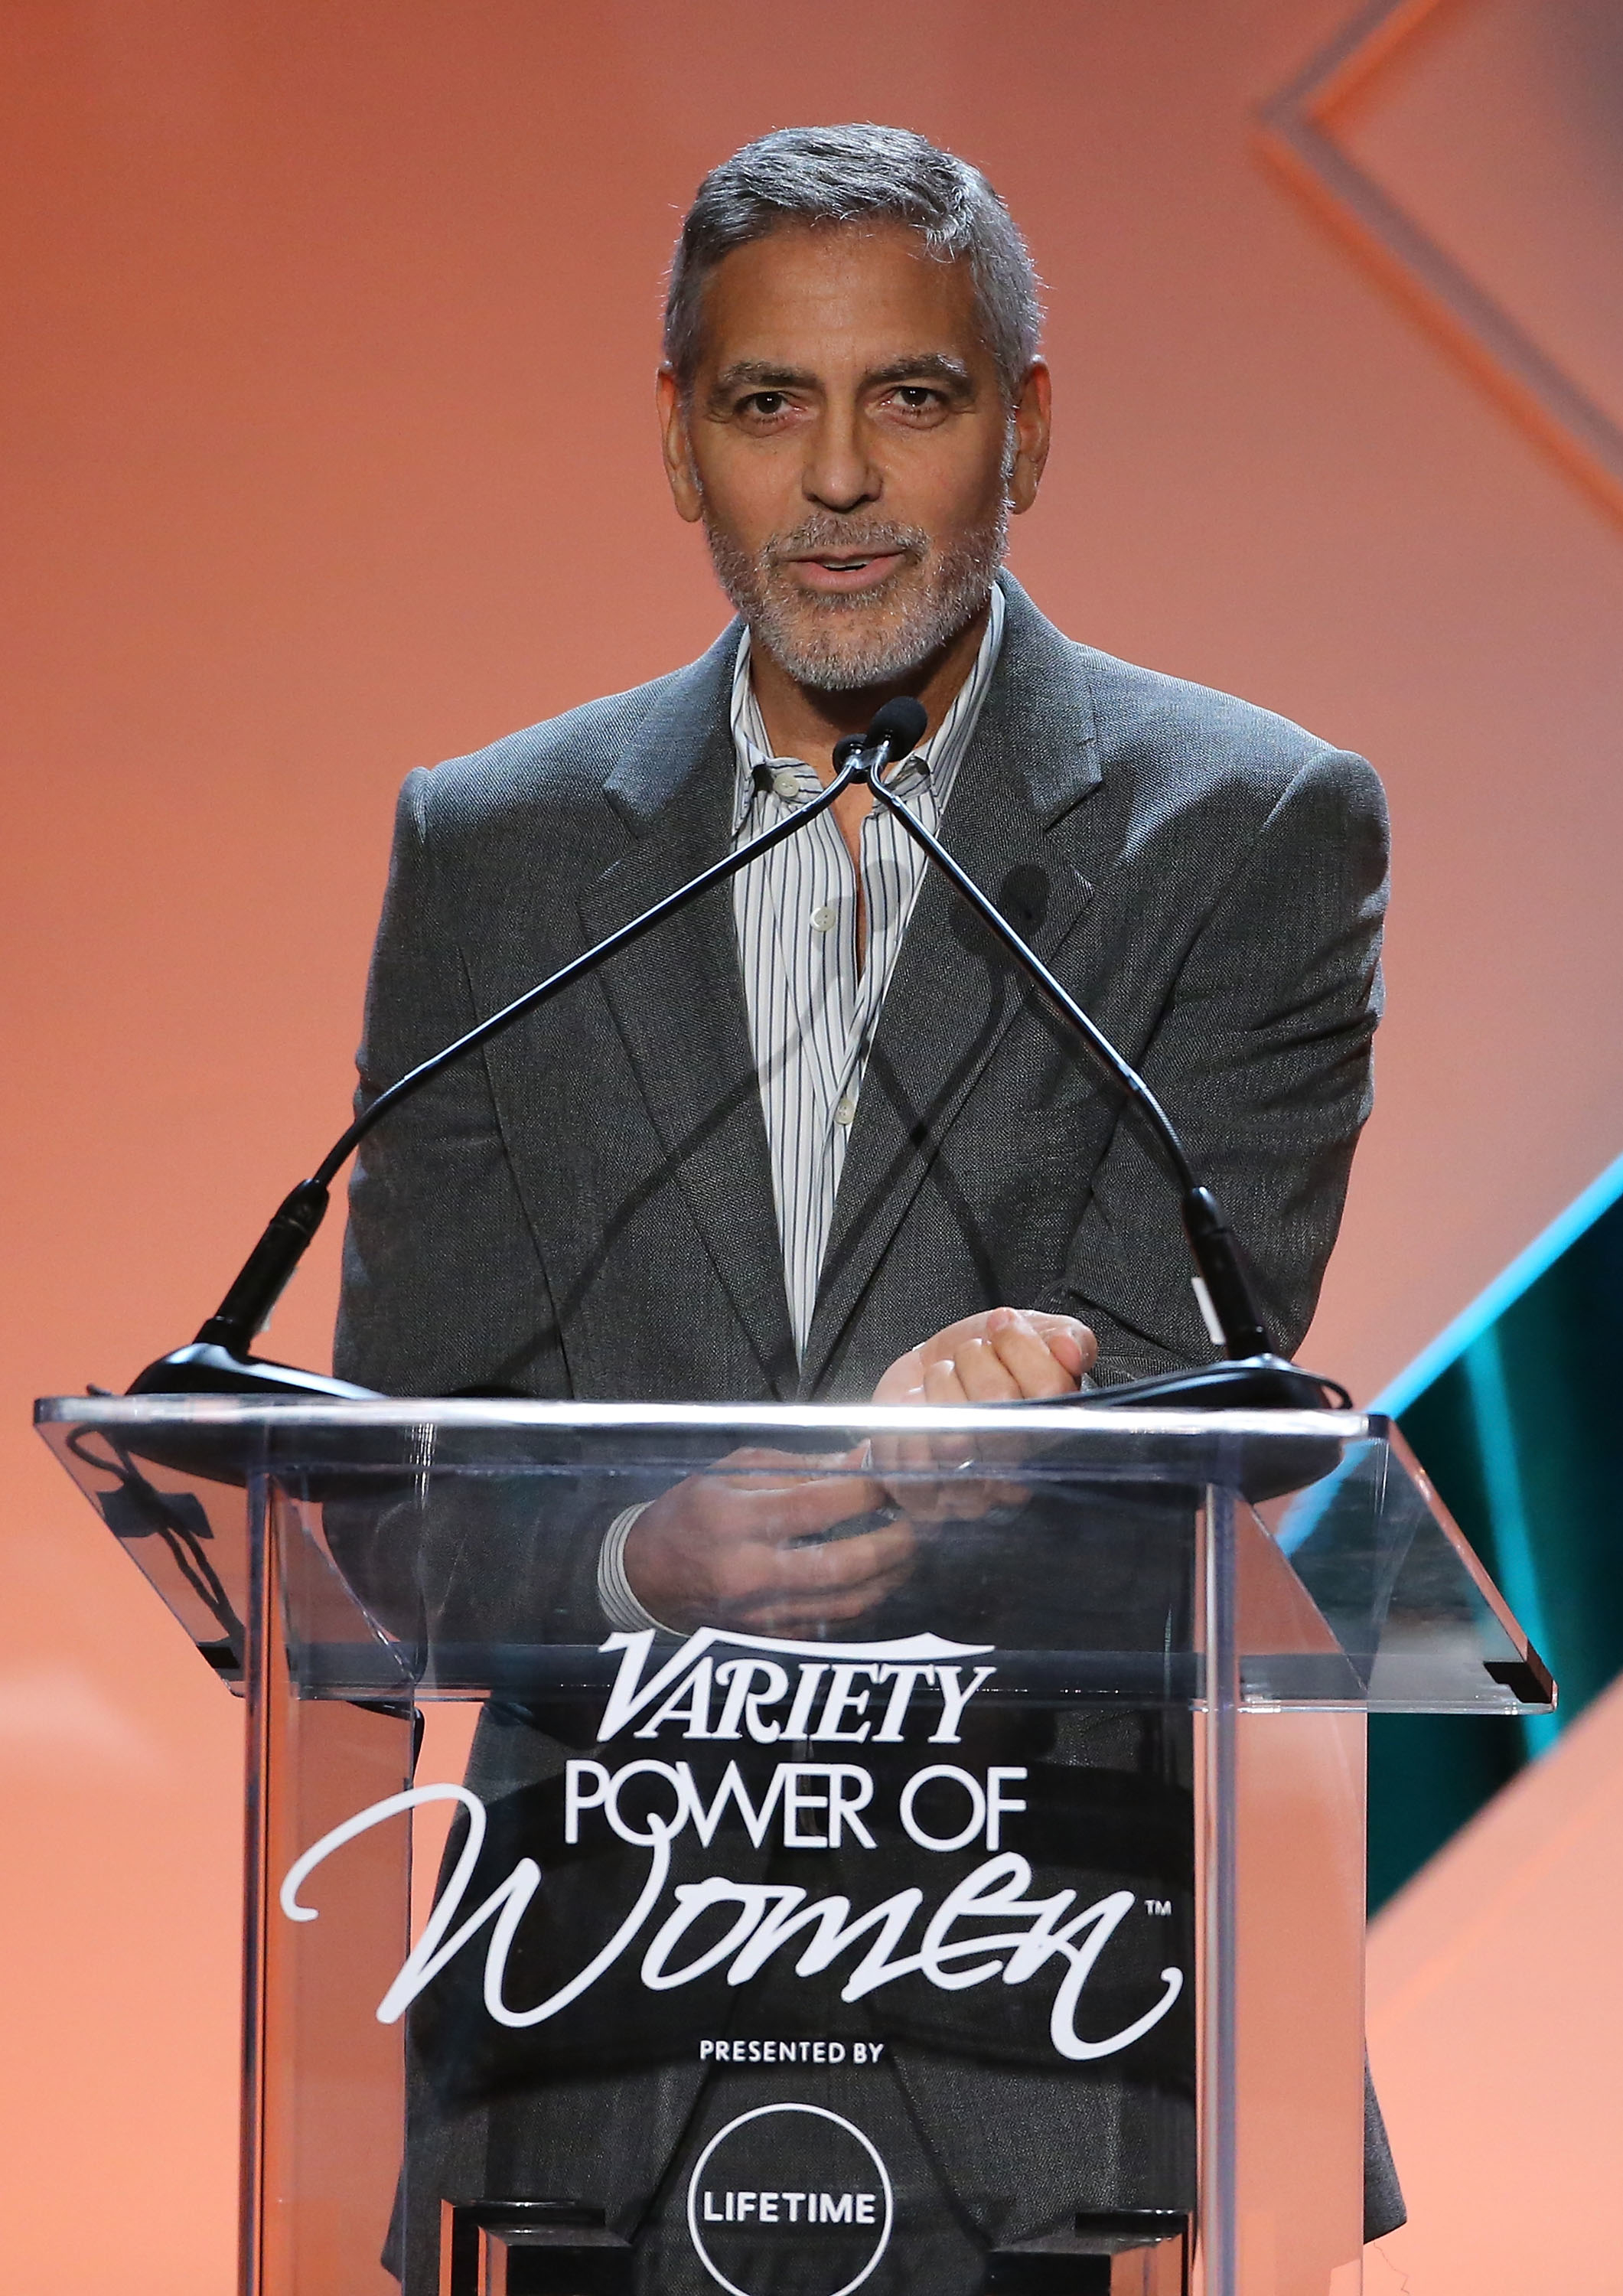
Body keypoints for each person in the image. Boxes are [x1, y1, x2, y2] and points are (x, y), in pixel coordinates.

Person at [334, 124, 1400, 2287]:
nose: (835, 481)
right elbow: (388, 1480)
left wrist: (1036, 1413)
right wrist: (645, 1554)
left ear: (1022, 428)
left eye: (907, 399)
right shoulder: (498, 849)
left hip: (1044, 2004)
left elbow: (1226, 1378)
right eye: (764, 405)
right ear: (677, 447)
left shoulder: (1250, 823)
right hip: (595, 2037)